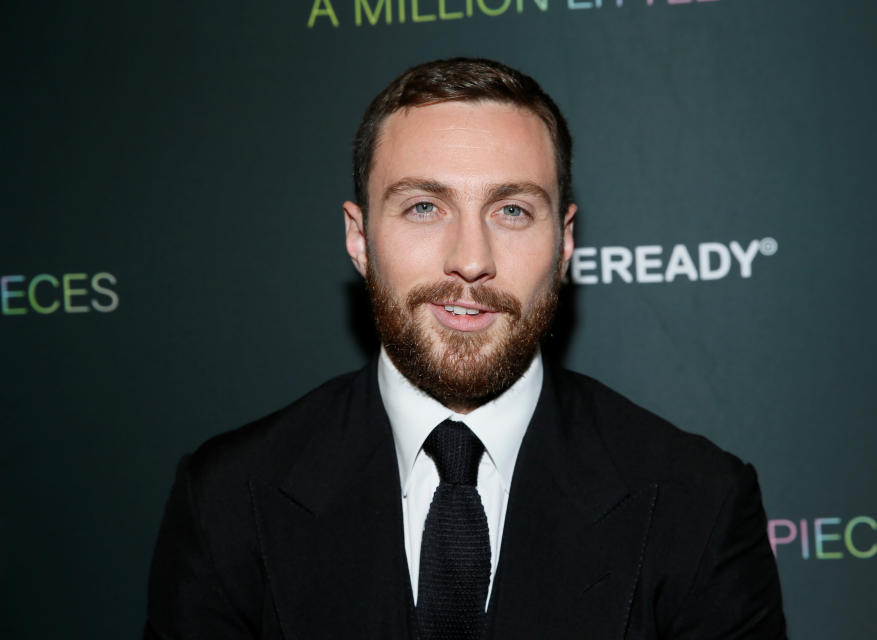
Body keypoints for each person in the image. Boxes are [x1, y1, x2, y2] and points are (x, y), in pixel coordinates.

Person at [144, 58, 787, 639]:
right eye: (425, 207)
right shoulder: (227, 500)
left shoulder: (697, 504)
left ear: (564, 243)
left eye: (511, 211)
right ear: (359, 237)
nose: (471, 261)